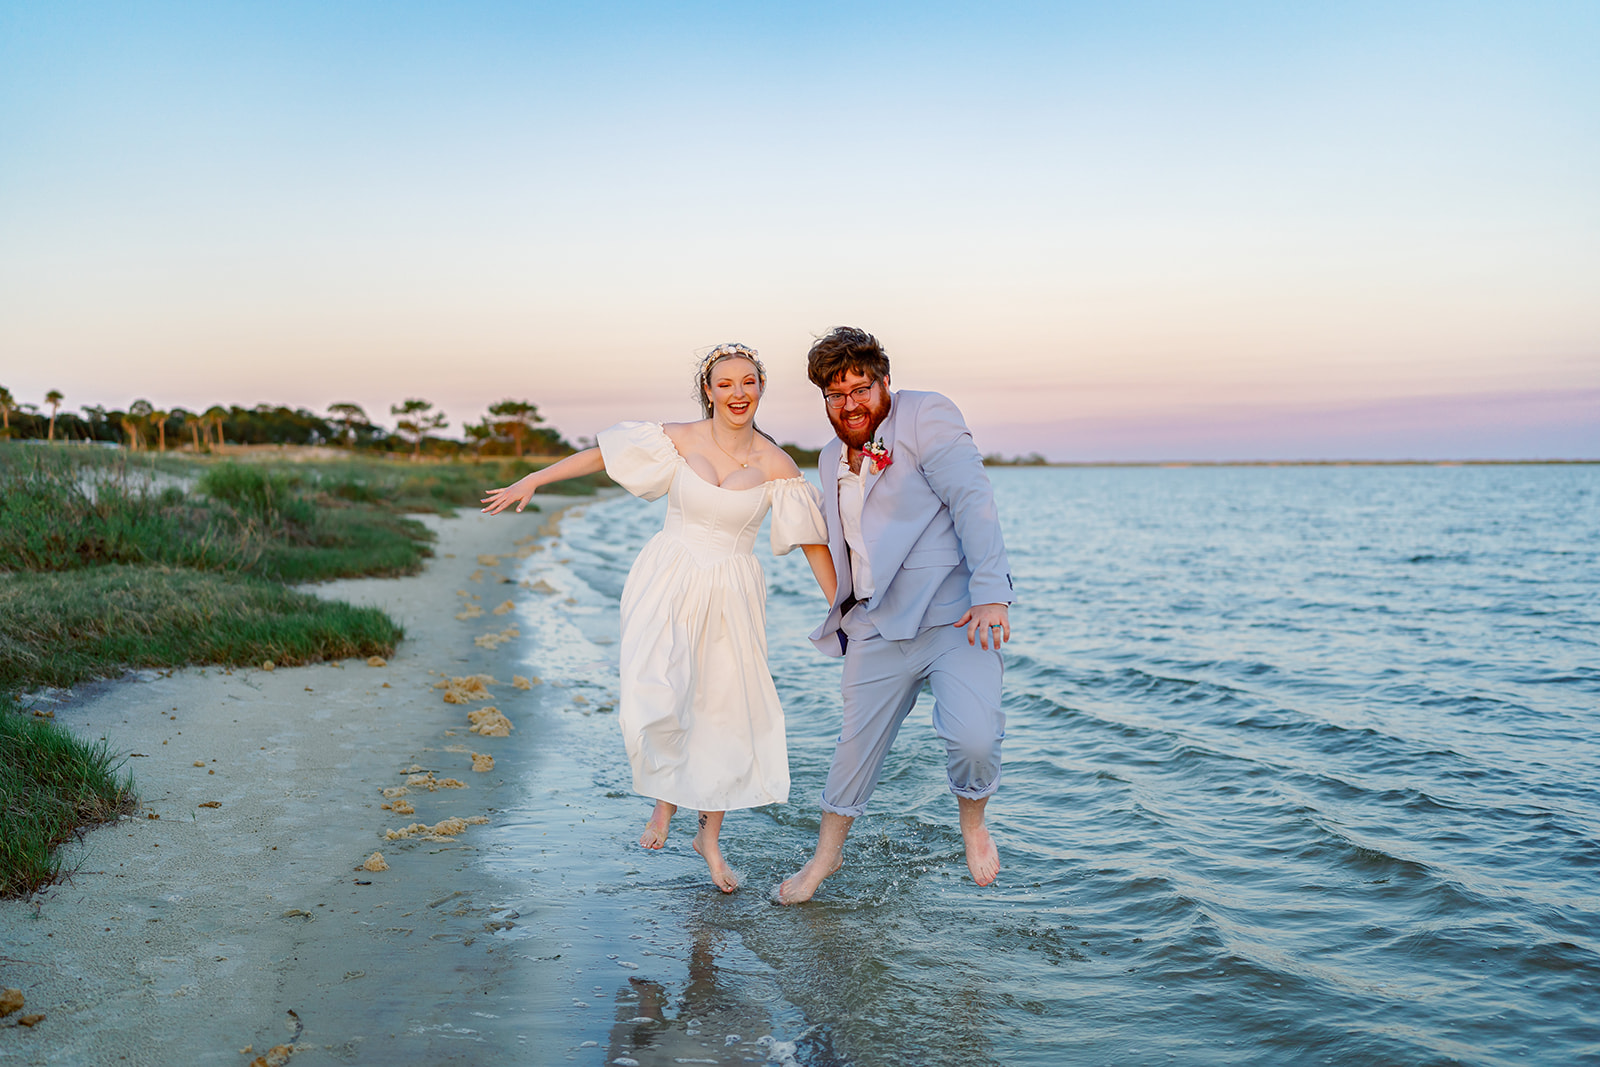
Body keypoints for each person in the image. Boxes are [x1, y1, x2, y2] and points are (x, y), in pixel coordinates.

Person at [481, 344, 835, 893]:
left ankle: (709, 840)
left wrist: (844, 612)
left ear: (760, 388)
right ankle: (663, 803)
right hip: (668, 576)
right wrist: (535, 478)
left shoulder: (777, 464)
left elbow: (814, 545)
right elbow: (603, 453)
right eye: (725, 384)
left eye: (748, 382)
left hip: (732, 591)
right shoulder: (679, 438)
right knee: (663, 691)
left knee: (723, 713)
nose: (737, 393)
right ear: (709, 391)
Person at [774, 326, 1013, 904]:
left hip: (954, 617)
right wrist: (848, 616)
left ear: (884, 382)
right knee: (852, 751)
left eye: (860, 387)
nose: (850, 403)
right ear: (824, 400)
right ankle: (824, 860)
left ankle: (973, 823)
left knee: (975, 739)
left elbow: (972, 499)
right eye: (836, 394)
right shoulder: (830, 455)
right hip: (877, 626)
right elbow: (846, 544)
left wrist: (992, 593)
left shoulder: (926, 415)